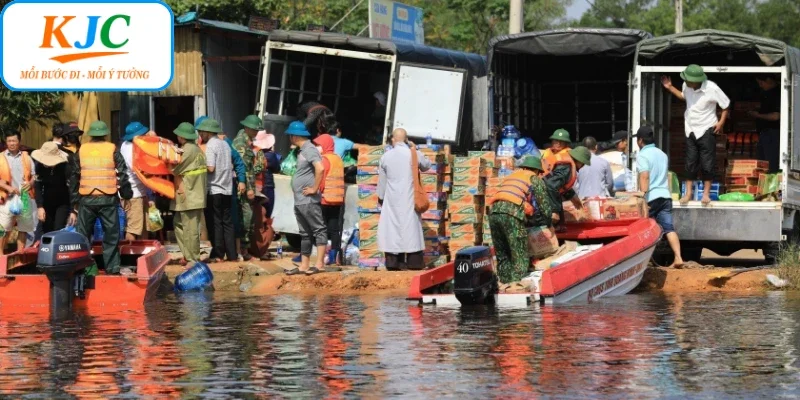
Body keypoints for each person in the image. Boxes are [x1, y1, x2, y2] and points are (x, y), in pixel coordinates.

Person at [70, 121, 133, 275]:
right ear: (105, 134)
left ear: (91, 134)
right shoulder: (112, 149)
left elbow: (74, 176)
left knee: (83, 236)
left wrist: (74, 201)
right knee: (111, 235)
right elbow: (123, 173)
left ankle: (82, 268)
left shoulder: (82, 150)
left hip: (87, 199)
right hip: (108, 198)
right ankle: (112, 269)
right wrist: (126, 195)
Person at [662, 64, 730, 205]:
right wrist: (670, 87)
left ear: (697, 80)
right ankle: (688, 194)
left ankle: (706, 195)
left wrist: (721, 122)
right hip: (690, 129)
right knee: (690, 163)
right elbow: (684, 97)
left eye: (688, 80)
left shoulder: (712, 88)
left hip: (707, 129)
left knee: (707, 163)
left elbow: (725, 105)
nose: (685, 82)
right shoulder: (686, 85)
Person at [488, 156, 553, 283]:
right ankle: (516, 286)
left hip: (494, 213)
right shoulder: (533, 178)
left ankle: (504, 284)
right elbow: (544, 206)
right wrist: (548, 223)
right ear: (536, 171)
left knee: (503, 254)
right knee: (520, 255)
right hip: (512, 214)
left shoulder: (512, 176)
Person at [377, 128, 431, 271]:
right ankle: (414, 263)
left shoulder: (385, 157)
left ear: (393, 140)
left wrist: (381, 198)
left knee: (392, 230)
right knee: (411, 229)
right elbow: (427, 165)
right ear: (406, 139)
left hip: (392, 199)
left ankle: (394, 263)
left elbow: (382, 182)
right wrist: (415, 148)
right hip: (409, 197)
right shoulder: (412, 154)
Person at [634, 126, 684, 268]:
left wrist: (642, 195)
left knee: (644, 230)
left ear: (640, 141)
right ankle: (678, 257)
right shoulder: (662, 154)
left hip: (651, 198)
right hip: (665, 196)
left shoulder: (643, 155)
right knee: (669, 228)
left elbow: (645, 175)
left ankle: (644, 262)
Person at [283, 121, 327, 276]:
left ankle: (319, 264)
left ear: (294, 137)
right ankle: (304, 265)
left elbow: (320, 168)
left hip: (308, 199)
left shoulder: (309, 149)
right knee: (305, 233)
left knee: (318, 229)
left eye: (290, 136)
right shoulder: (303, 150)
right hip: (301, 199)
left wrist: (314, 188)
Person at [198, 118, 238, 263]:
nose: (200, 134)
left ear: (208, 132)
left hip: (214, 188)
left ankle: (218, 254)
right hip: (227, 188)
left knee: (215, 223)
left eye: (201, 131)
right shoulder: (225, 145)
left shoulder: (211, 145)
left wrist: (198, 166)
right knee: (227, 222)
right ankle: (232, 254)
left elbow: (210, 168)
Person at [170, 122, 208, 265]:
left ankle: (193, 259)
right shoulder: (196, 149)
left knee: (190, 228)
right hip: (191, 194)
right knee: (179, 223)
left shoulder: (188, 150)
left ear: (181, 136)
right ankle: (188, 255)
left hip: (190, 194)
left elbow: (175, 169)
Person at [232, 115, 266, 261]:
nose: (257, 132)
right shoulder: (241, 143)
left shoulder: (246, 142)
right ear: (248, 128)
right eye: (255, 129)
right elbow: (243, 168)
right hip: (244, 188)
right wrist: (250, 188)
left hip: (246, 186)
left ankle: (243, 249)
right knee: (246, 218)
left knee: (247, 218)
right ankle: (243, 250)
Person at [0, 132, 36, 254]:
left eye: (14, 141)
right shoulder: (0, 157)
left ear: (19, 142)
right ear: (6, 142)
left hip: (24, 197)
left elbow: (34, 175)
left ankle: (20, 253)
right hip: (7, 198)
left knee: (24, 227)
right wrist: (7, 187)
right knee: (3, 227)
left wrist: (31, 183)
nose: (11, 143)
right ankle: (0, 256)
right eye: (9, 141)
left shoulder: (26, 157)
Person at [313, 133, 345, 266]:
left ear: (325, 145)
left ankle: (322, 255)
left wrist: (316, 190)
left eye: (318, 145)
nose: (317, 147)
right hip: (337, 199)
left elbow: (322, 178)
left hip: (326, 198)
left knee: (322, 228)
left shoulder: (324, 159)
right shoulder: (338, 158)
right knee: (334, 229)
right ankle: (335, 255)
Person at [543, 146, 591, 231]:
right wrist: (555, 211)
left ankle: (559, 228)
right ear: (579, 160)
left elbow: (561, 186)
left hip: (549, 193)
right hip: (543, 194)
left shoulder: (565, 165)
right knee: (549, 222)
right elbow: (551, 185)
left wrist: (573, 197)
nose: (582, 166)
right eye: (583, 163)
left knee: (560, 226)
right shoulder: (566, 167)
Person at [253, 130, 281, 260]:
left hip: (257, 188)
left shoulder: (254, 153)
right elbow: (277, 168)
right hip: (268, 187)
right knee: (266, 218)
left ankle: (256, 247)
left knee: (258, 218)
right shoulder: (270, 156)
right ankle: (262, 248)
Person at [120, 122, 150, 240]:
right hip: (133, 194)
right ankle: (130, 255)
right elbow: (137, 170)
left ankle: (143, 255)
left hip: (139, 192)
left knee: (143, 227)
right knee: (133, 229)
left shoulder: (127, 145)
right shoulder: (129, 149)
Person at [32, 141, 70, 233]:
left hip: (63, 201)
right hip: (47, 201)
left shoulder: (65, 167)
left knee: (59, 228)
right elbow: (38, 187)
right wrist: (40, 207)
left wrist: (73, 210)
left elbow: (71, 188)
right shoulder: (39, 166)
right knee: (46, 229)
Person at [750, 74, 781, 173]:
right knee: (763, 162)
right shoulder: (767, 93)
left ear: (768, 80)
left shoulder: (777, 94)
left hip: (772, 133)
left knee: (770, 162)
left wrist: (757, 115)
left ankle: (771, 185)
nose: (760, 86)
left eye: (761, 83)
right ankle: (764, 184)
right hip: (765, 133)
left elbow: (776, 116)